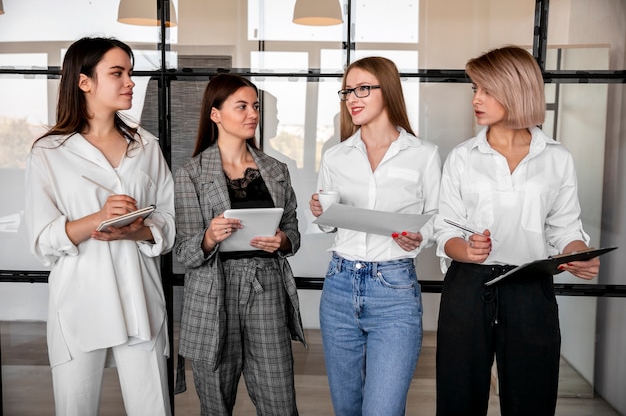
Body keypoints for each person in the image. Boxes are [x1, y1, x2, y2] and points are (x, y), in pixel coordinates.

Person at [434, 45, 600, 416]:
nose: (476, 99)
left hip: (529, 289)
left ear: (516, 90)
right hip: (468, 288)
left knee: (532, 400)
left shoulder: (557, 157)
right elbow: (444, 227)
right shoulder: (462, 157)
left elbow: (565, 227)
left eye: (486, 90)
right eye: (474, 88)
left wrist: (578, 254)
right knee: (458, 401)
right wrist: (466, 249)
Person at [24, 37, 175, 416]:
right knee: (75, 408)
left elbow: (171, 222)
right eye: (117, 73)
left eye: (130, 73)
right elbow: (42, 240)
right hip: (80, 302)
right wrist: (97, 218)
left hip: (140, 299)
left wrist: (136, 230)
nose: (130, 82)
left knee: (153, 408)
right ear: (84, 81)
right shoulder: (49, 151)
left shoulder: (146, 146)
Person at [309, 56, 442, 416]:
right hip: (339, 286)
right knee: (347, 408)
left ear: (389, 90)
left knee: (382, 409)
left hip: (394, 290)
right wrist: (321, 214)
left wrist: (420, 237)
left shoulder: (423, 155)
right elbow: (327, 225)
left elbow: (436, 219)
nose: (352, 97)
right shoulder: (336, 156)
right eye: (348, 90)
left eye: (363, 88)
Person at [174, 73, 306, 416]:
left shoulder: (276, 170)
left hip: (267, 287)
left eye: (256, 106)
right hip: (214, 292)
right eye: (242, 106)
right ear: (215, 114)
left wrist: (282, 240)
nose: (253, 114)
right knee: (215, 401)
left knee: (279, 398)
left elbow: (293, 231)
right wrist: (208, 237)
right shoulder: (191, 174)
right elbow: (184, 252)